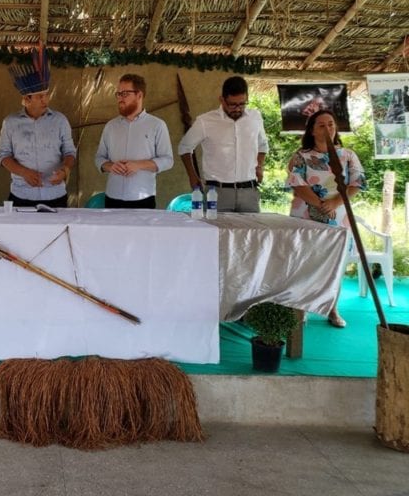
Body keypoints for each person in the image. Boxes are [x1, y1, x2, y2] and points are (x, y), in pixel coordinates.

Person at [286, 109, 366, 328]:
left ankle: (332, 308)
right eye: (321, 125)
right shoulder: (301, 156)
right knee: (306, 261)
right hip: (306, 213)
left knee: (335, 263)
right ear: (312, 130)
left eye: (330, 124)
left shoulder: (347, 155)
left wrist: (334, 203)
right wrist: (321, 204)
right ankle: (302, 308)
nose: (327, 128)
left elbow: (356, 184)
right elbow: (297, 184)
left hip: (338, 215)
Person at [0, 48, 76, 208]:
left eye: (46, 94)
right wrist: (23, 172)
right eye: (40, 96)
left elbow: (70, 152)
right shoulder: (10, 122)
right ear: (27, 99)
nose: (45, 100)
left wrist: (65, 170)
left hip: (55, 194)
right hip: (21, 194)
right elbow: (4, 156)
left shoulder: (60, 120)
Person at [178, 76, 269, 213]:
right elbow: (184, 147)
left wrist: (260, 166)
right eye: (232, 104)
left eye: (242, 104)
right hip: (217, 192)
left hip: (249, 192)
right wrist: (192, 175)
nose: (238, 109)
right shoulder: (205, 121)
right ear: (222, 100)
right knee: (217, 233)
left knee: (252, 233)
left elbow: (262, 145)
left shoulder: (255, 117)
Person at [95, 74, 173, 208]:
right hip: (112, 197)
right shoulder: (111, 126)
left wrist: (139, 165)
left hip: (143, 199)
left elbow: (168, 160)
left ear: (139, 95)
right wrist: (110, 166)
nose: (120, 98)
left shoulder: (157, 125)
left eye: (124, 93)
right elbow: (99, 158)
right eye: (118, 94)